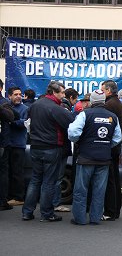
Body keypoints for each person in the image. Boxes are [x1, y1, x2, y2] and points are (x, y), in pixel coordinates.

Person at [22, 81, 74, 222]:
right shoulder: (56, 108)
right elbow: (71, 123)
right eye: (62, 92)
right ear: (53, 92)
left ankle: (27, 212)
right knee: (49, 182)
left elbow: (28, 123)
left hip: (36, 147)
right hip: (51, 147)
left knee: (35, 180)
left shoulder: (35, 105)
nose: (64, 96)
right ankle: (46, 213)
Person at [68, 89, 122, 225]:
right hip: (104, 160)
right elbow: (117, 138)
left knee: (81, 190)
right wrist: (104, 146)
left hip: (86, 157)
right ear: (104, 101)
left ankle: (79, 219)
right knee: (99, 191)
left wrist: (79, 141)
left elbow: (73, 132)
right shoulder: (112, 117)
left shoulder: (84, 114)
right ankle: (95, 218)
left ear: (92, 101)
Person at [101, 80, 122, 221]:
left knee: (110, 180)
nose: (101, 93)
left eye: (103, 90)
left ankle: (110, 211)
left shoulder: (109, 105)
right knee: (114, 179)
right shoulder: (119, 104)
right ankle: (115, 209)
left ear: (109, 91)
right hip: (116, 147)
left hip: (110, 147)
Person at [53, 88, 79, 212]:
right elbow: (69, 129)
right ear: (71, 98)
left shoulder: (59, 107)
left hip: (55, 146)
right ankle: (55, 203)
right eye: (76, 99)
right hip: (61, 147)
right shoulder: (64, 109)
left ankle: (49, 203)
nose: (76, 102)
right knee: (57, 177)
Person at [7, 87, 28, 206]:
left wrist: (11, 121)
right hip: (7, 144)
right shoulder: (7, 107)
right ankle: (9, 196)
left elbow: (24, 123)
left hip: (18, 145)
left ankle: (19, 197)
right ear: (9, 96)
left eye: (20, 94)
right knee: (8, 172)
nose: (19, 96)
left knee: (17, 172)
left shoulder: (25, 109)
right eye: (16, 94)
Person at [0, 79, 15, 211]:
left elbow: (11, 117)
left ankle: (2, 201)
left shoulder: (4, 102)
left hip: (2, 144)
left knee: (3, 172)